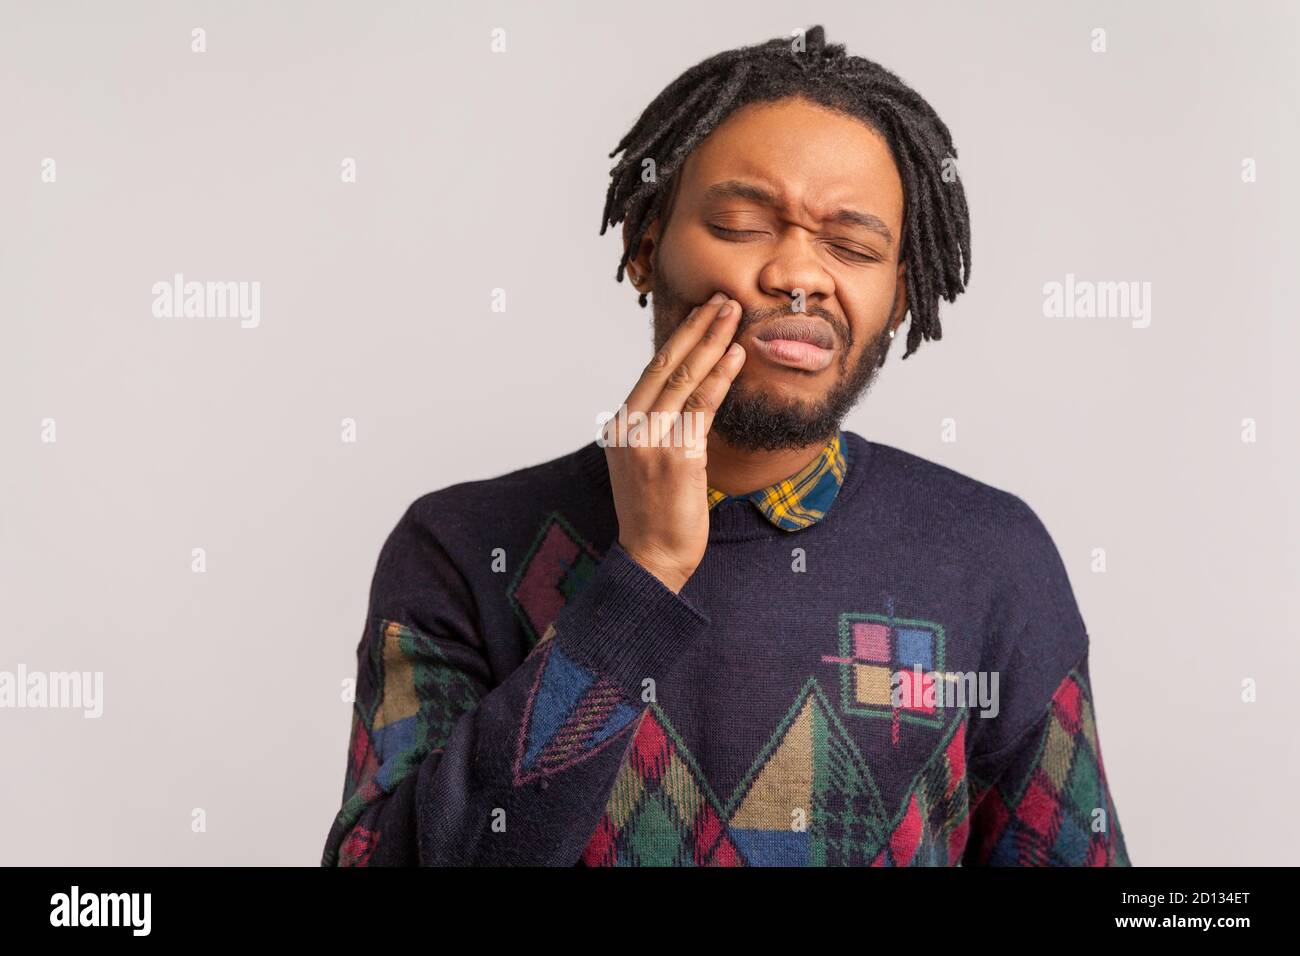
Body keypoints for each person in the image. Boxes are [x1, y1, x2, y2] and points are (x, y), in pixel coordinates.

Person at [322, 24, 1130, 867]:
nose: (799, 274)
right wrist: (642, 577)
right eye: (744, 223)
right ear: (644, 249)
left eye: (852, 247)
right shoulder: (460, 548)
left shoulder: (991, 556)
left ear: (898, 299)